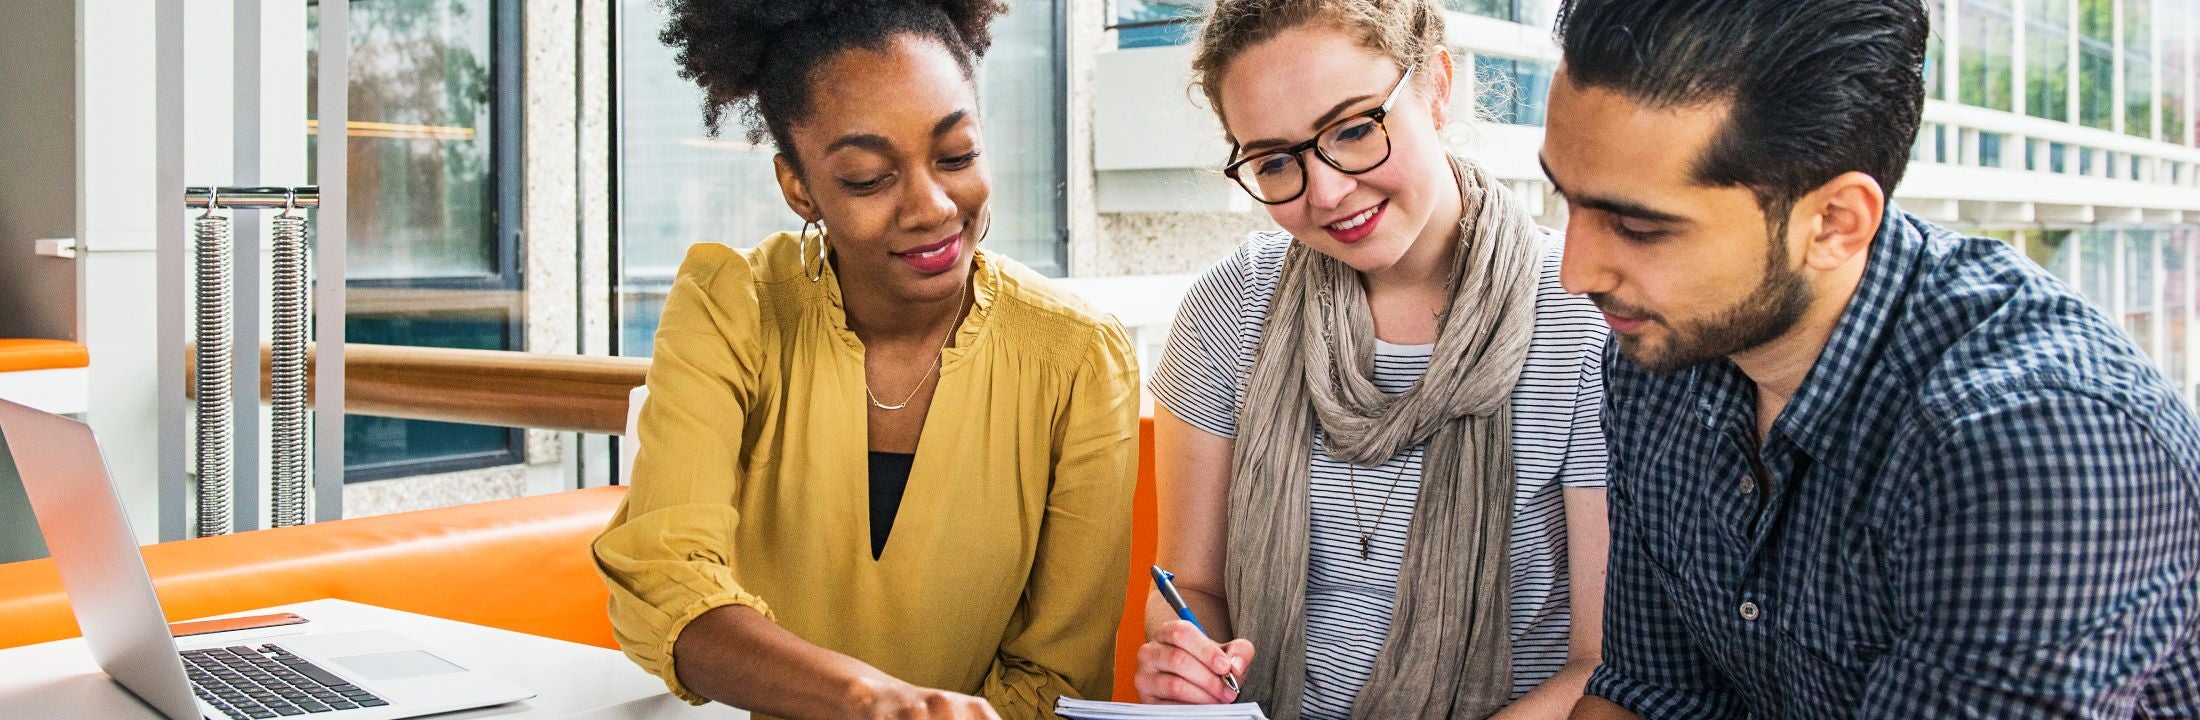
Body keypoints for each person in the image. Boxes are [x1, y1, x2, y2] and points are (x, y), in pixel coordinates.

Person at [1538, 1, 2200, 718]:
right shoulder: (1662, 351)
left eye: (1638, 228)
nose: (1578, 271)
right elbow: (1653, 696)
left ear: (1833, 223)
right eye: (1563, 199)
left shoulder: (2037, 448)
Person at [590, 2, 1142, 718]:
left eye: (957, 155)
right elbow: (664, 583)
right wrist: (863, 701)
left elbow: (1058, 677)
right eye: (867, 177)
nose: (933, 205)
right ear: (799, 188)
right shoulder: (733, 311)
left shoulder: (1076, 358)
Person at [1133, 1, 1613, 718]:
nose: (1326, 192)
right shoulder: (1230, 310)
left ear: (1439, 86)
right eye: (1273, 161)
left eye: (1355, 128)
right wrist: (1189, 662)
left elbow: (1601, 662)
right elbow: (1192, 587)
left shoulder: (1581, 323)